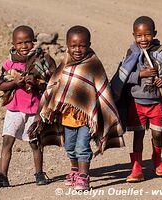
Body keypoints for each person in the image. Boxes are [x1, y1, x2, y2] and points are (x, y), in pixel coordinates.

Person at [33, 25, 124, 191]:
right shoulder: (65, 62)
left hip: (86, 119)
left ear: (89, 44)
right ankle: (74, 171)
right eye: (73, 46)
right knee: (69, 147)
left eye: (82, 45)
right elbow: (54, 85)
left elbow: (102, 90)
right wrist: (46, 107)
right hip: (67, 117)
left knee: (82, 147)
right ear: (67, 45)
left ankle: (83, 177)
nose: (77, 49)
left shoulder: (93, 63)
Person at [111, 16, 162, 182]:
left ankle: (157, 158)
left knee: (157, 134)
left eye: (147, 35)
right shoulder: (131, 52)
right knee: (138, 135)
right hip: (136, 103)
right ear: (134, 35)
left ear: (154, 33)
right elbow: (122, 77)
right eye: (139, 36)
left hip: (156, 103)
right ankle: (137, 168)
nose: (143, 39)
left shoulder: (160, 51)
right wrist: (141, 74)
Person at [0, 25, 56, 187]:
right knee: (7, 142)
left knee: (35, 143)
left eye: (27, 42)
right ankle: (3, 175)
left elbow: (52, 83)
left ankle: (39, 174)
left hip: (34, 110)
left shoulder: (42, 60)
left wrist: (37, 83)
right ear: (13, 44)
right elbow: (1, 85)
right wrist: (15, 83)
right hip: (14, 109)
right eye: (20, 43)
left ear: (33, 42)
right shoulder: (9, 64)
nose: (24, 46)